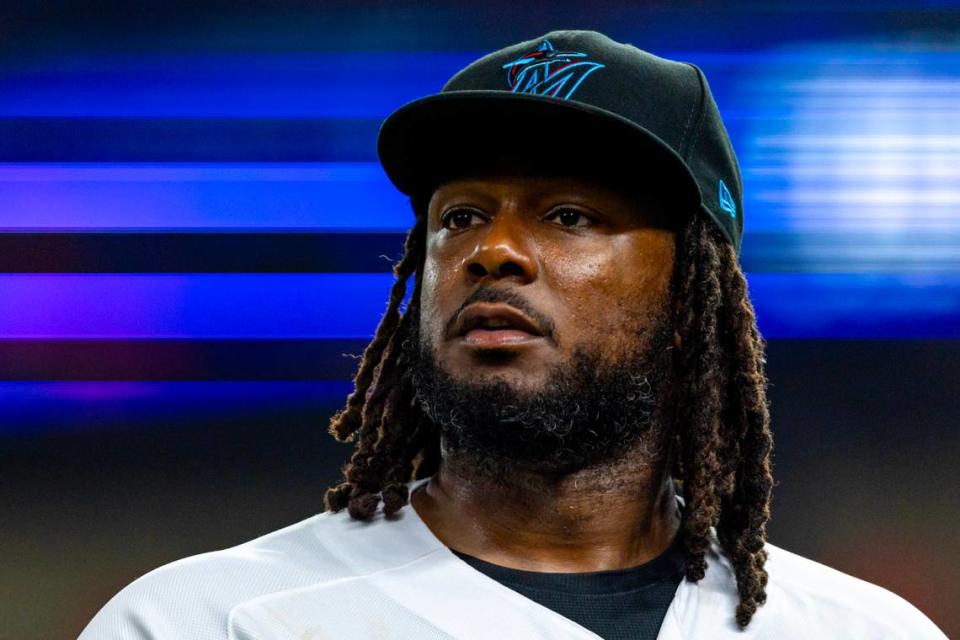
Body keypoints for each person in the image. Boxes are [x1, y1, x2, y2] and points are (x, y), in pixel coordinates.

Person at [80, 30, 947, 639]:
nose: (493, 251)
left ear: (691, 298)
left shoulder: (861, 631)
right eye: (460, 217)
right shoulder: (197, 622)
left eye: (569, 216)